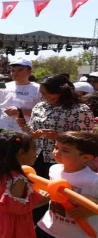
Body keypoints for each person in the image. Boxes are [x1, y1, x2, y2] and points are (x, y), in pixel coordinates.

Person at [17, 74, 93, 222]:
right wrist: (26, 128)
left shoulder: (80, 110)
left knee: (56, 195)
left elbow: (86, 139)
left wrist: (58, 137)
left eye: (49, 93)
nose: (45, 96)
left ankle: (53, 226)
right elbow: (32, 132)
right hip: (37, 157)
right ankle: (35, 224)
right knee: (36, 193)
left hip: (62, 160)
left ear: (63, 91)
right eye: (43, 93)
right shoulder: (40, 106)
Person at [0, 57, 41, 132]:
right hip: (2, 130)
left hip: (24, 133)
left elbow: (42, 113)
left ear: (29, 72)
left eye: (20, 70)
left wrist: (20, 111)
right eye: (13, 70)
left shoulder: (38, 89)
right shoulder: (5, 87)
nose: (15, 73)